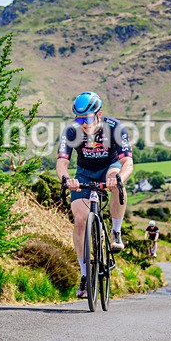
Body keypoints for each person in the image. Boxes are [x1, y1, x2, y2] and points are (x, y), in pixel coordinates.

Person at [56, 91, 133, 298]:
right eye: (79, 118)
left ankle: (116, 231)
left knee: (116, 181)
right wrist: (66, 179)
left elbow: (128, 163)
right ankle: (84, 276)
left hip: (110, 166)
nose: (83, 123)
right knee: (80, 220)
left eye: (87, 118)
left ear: (99, 114)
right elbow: (62, 163)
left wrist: (118, 179)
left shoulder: (115, 128)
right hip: (84, 172)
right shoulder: (72, 131)